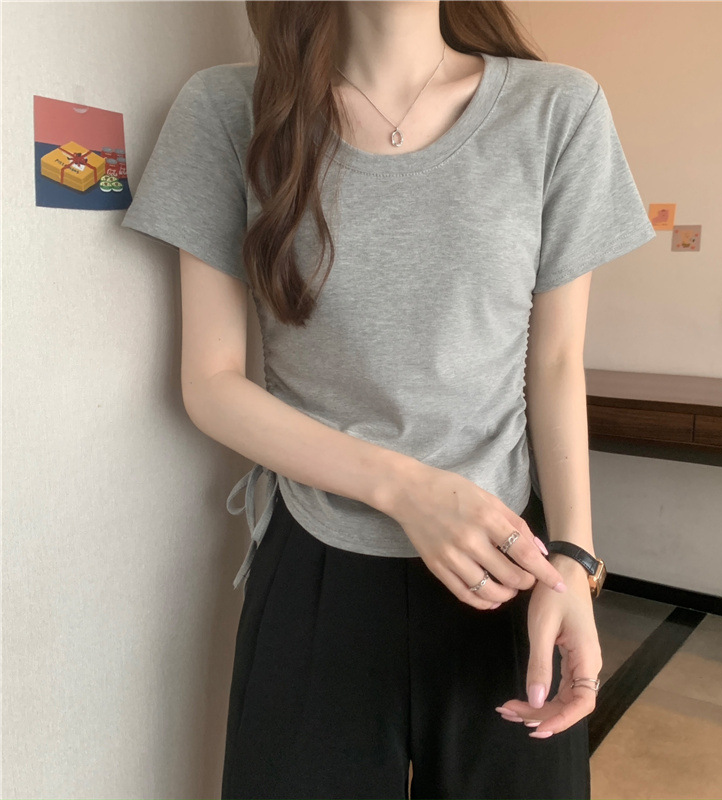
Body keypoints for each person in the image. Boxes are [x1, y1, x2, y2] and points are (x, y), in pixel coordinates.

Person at [120, 2, 656, 797]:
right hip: (314, 557)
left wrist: (574, 561)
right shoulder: (226, 110)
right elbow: (211, 382)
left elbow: (555, 363)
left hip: (509, 556)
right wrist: (407, 489)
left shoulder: (558, 109)